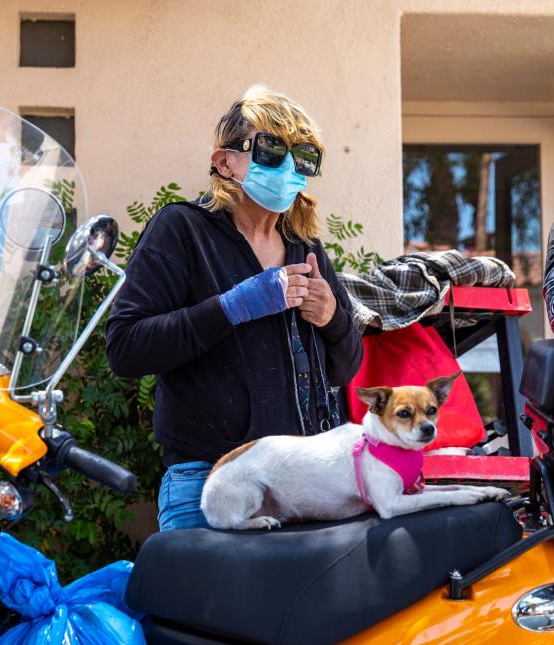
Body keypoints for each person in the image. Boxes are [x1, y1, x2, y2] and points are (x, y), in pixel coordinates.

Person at [105, 85, 363, 530]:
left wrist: (332, 319)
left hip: (309, 486)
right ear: (224, 161)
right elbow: (126, 348)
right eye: (269, 149)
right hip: (213, 482)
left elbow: (345, 369)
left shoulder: (306, 248)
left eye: (301, 158)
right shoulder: (182, 230)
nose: (286, 167)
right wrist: (233, 306)